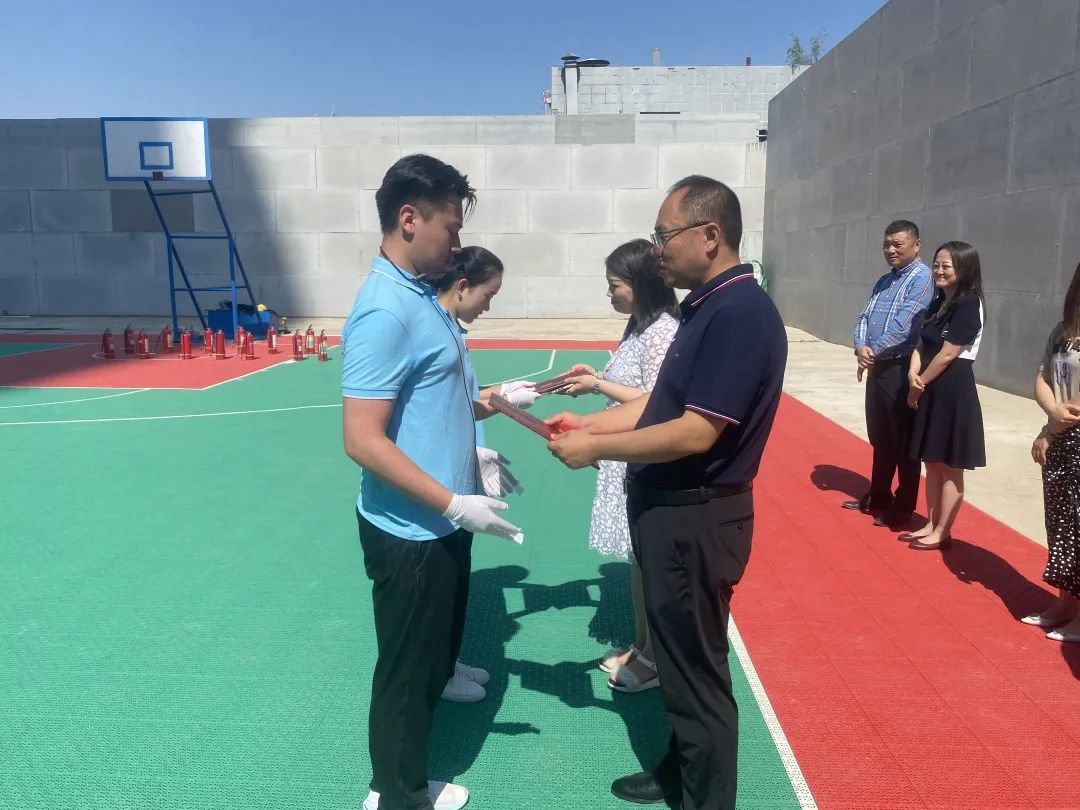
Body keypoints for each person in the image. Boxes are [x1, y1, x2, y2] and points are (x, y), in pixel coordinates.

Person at [547, 176, 786, 810]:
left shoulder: (738, 313)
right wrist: (591, 423)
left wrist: (597, 449)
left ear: (710, 235)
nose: (657, 250)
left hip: (695, 519)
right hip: (674, 518)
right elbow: (663, 404)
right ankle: (681, 772)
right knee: (679, 668)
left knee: (697, 677)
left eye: (664, 235)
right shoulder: (707, 308)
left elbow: (696, 431)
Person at [341, 154, 524, 810]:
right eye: (451, 226)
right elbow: (362, 439)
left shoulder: (420, 295)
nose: (457, 240)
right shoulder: (385, 310)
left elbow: (432, 401)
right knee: (405, 672)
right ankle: (396, 794)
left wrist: (483, 428)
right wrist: (452, 502)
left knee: (426, 661)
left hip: (440, 514)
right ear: (409, 219)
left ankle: (406, 775)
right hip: (411, 528)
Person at [550, 238, 679, 693]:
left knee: (648, 565)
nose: (609, 293)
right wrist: (598, 377)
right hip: (625, 456)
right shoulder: (639, 326)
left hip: (640, 457)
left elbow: (659, 401)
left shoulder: (662, 331)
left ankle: (655, 658)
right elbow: (632, 383)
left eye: (615, 285)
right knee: (637, 563)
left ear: (640, 284)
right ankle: (643, 646)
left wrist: (597, 386)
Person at [432, 245, 540, 702]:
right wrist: (501, 402)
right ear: (462, 286)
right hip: (441, 485)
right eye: (488, 295)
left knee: (457, 579)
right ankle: (437, 673)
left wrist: (500, 397)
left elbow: (465, 401)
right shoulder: (437, 333)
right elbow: (446, 409)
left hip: (460, 469)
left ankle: (446, 661)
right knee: (440, 585)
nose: (489, 306)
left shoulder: (453, 332)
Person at [848, 221, 935, 529]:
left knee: (902, 440)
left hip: (900, 368)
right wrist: (860, 346)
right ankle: (879, 494)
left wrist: (873, 352)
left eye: (897, 244)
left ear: (916, 245)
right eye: (887, 244)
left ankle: (903, 506)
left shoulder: (922, 278)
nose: (890, 250)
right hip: (878, 366)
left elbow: (906, 322)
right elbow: (865, 315)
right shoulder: (885, 280)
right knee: (881, 435)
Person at [902, 241, 986, 551]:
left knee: (951, 465)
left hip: (953, 390)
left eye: (945, 266)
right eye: (936, 264)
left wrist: (919, 382)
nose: (938, 270)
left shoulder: (968, 304)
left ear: (963, 269)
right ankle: (930, 522)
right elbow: (921, 345)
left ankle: (942, 532)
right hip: (929, 385)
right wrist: (913, 374)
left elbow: (949, 353)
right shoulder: (938, 304)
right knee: (932, 461)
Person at [1025, 260, 1080, 642]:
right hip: (1059, 438)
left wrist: (1053, 427)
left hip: (1070, 435)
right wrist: (1051, 416)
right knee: (1060, 524)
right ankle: (1065, 604)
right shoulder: (1063, 331)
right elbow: (1042, 377)